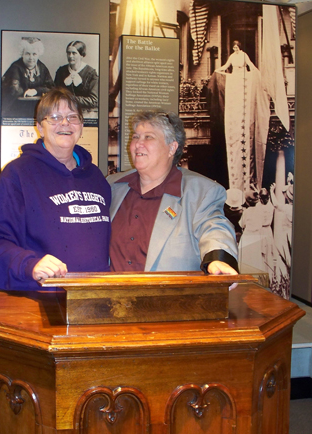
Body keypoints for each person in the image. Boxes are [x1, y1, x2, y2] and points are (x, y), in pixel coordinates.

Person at [0, 88, 111, 290]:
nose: (65, 123)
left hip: (91, 297)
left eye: (72, 117)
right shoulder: (17, 174)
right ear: (40, 127)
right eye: (55, 117)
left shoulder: (95, 177)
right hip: (39, 298)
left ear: (81, 126)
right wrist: (30, 265)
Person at [108, 110, 238, 275]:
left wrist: (219, 259)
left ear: (172, 148)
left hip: (167, 298)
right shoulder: (112, 186)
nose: (138, 144)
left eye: (148, 137)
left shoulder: (201, 192)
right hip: (112, 297)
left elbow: (214, 227)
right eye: (135, 136)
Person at [212, 40, 269, 193]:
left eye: (237, 46)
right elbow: (225, 67)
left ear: (240, 47)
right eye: (234, 47)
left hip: (243, 78)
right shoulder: (232, 56)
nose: (235, 48)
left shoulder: (243, 55)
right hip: (234, 78)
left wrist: (258, 74)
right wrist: (218, 70)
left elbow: (250, 66)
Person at [1, 37, 54, 118]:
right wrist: (26, 91)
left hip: (38, 110)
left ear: (39, 54)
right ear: (22, 54)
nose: (31, 58)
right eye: (27, 53)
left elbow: (51, 88)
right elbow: (14, 90)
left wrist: (36, 90)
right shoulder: (15, 67)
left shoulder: (42, 67)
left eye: (34, 54)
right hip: (16, 111)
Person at [54, 41, 98, 114]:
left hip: (86, 113)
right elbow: (54, 93)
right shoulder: (61, 71)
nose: (70, 56)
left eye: (74, 53)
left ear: (81, 55)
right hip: (63, 112)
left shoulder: (91, 73)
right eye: (68, 53)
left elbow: (94, 101)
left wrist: (69, 99)